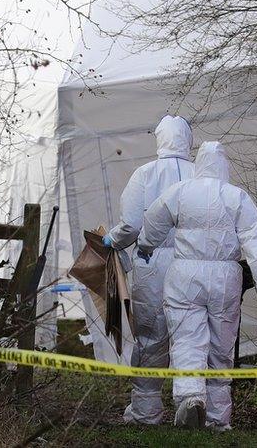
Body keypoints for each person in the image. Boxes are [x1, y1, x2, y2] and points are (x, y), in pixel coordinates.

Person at [138, 141, 257, 430]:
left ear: (199, 163)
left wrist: (145, 245)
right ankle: (218, 419)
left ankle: (190, 398)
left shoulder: (180, 192)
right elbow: (255, 239)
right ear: (224, 165)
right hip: (225, 276)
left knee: (188, 338)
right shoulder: (236, 196)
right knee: (221, 345)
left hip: (185, 275)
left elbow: (154, 219)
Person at [101, 115, 195, 425]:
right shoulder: (201, 175)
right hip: (192, 263)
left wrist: (112, 239)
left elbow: (132, 224)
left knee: (150, 335)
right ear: (187, 140)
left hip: (152, 262)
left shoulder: (145, 174)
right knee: (190, 335)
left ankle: (145, 412)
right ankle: (190, 402)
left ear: (159, 139)